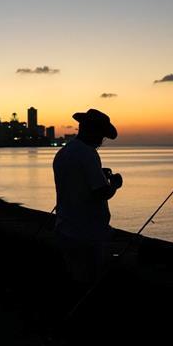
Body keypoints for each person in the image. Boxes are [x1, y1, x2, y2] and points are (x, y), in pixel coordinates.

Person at [52, 109, 123, 286]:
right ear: (93, 131)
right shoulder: (88, 154)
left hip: (65, 228)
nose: (101, 141)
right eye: (101, 136)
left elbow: (76, 183)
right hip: (87, 234)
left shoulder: (64, 153)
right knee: (90, 282)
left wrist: (100, 174)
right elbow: (100, 193)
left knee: (74, 280)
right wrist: (114, 184)